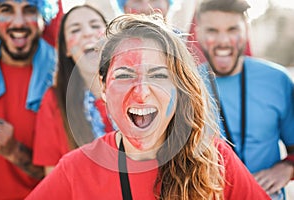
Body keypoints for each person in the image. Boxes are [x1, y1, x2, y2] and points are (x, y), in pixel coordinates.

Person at [26, 13, 269, 199]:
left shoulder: (214, 158)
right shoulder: (76, 168)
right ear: (103, 86)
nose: (141, 91)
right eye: (124, 75)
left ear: (179, 87)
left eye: (159, 75)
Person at [194, 0, 294, 199]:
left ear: (246, 31)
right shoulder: (183, 87)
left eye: (232, 29)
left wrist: (287, 168)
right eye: (212, 30)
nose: (223, 40)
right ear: (198, 34)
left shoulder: (278, 80)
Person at [32, 4, 113, 176]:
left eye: (95, 26)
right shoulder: (55, 101)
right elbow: (53, 180)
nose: (87, 33)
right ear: (66, 49)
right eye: (75, 29)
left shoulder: (138, 90)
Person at [0, 0, 58, 199]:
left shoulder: (62, 79)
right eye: (7, 10)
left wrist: (13, 151)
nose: (19, 23)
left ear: (44, 17)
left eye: (29, 10)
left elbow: (66, 174)